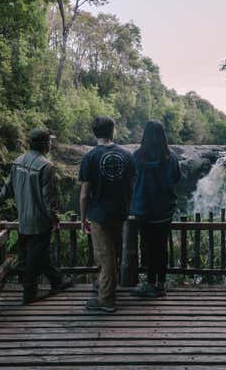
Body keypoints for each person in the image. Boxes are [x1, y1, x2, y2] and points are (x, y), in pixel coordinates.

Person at [0, 128, 73, 305]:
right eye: (49, 141)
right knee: (34, 256)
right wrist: (54, 218)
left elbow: (7, 187)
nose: (51, 144)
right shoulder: (46, 166)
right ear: (45, 144)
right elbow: (48, 198)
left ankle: (57, 281)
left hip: (23, 218)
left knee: (40, 252)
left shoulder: (18, 161)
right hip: (40, 221)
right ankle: (29, 292)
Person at [79, 116, 135, 313]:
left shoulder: (89, 157)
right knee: (114, 253)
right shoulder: (127, 156)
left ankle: (106, 300)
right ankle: (106, 288)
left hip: (99, 213)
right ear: (113, 131)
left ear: (94, 133)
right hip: (120, 212)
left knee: (104, 256)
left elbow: (85, 194)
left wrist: (82, 217)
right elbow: (131, 186)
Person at [130, 121, 181, 298]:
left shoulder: (137, 156)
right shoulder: (171, 157)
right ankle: (161, 284)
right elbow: (176, 179)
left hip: (143, 210)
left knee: (147, 247)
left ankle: (150, 284)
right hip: (164, 211)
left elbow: (131, 178)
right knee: (161, 247)